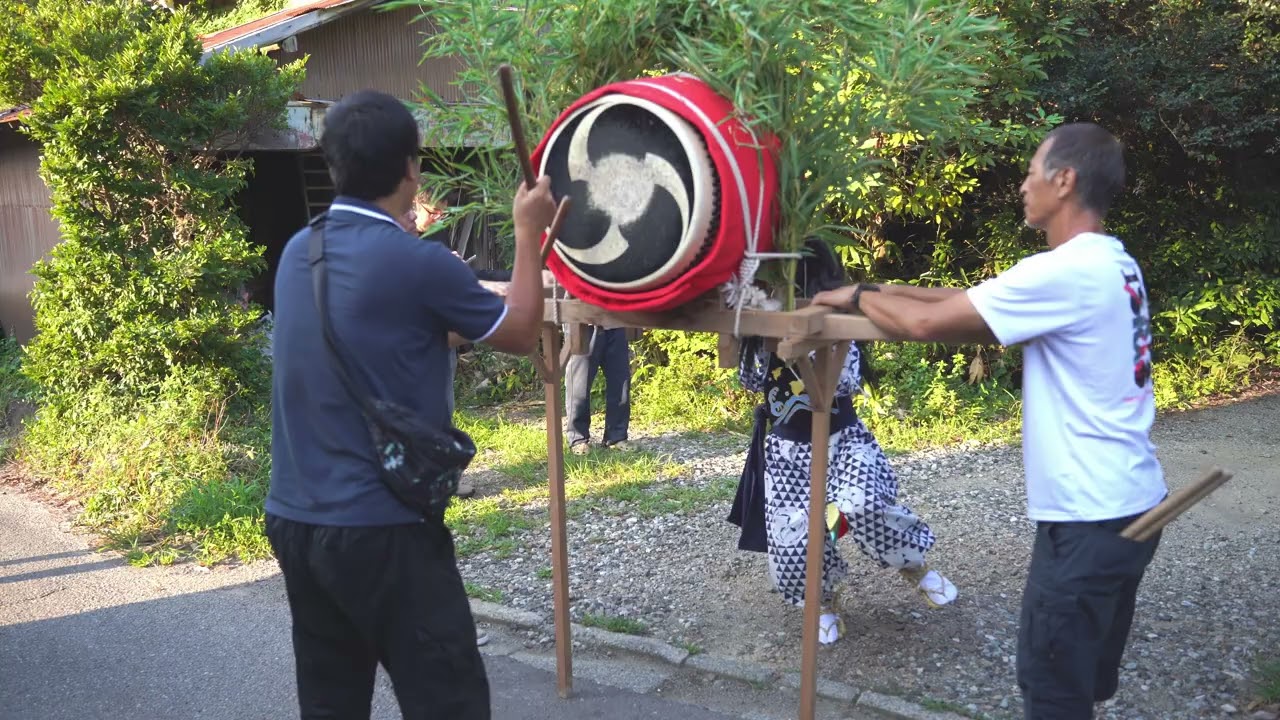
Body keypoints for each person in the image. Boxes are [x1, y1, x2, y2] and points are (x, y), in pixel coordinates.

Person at [812, 122, 1167, 718]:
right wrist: (874, 287)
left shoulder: (1066, 272)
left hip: (1088, 519)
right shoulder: (1109, 261)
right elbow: (969, 299)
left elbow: (925, 325)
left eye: (1031, 171)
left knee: (1052, 688)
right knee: (1082, 679)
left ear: (1064, 180)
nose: (1023, 185)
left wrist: (850, 299)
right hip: (1132, 506)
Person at [266, 89, 556, 720]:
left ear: (332, 166)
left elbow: (383, 334)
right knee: (449, 701)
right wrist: (527, 232)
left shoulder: (299, 252)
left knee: (331, 703)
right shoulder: (416, 261)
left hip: (295, 519)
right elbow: (520, 331)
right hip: (382, 528)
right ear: (410, 169)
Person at [729, 240, 958, 646]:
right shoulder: (759, 322)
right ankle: (823, 601)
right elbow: (749, 381)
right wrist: (752, 333)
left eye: (782, 280)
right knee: (793, 536)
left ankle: (914, 567)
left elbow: (845, 382)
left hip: (843, 441)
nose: (773, 288)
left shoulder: (839, 318)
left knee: (862, 504)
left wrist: (808, 342)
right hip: (786, 451)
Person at [565, 325, 632, 454]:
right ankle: (578, 439)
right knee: (579, 383)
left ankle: (616, 437)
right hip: (583, 323)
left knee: (620, 382)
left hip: (616, 322)